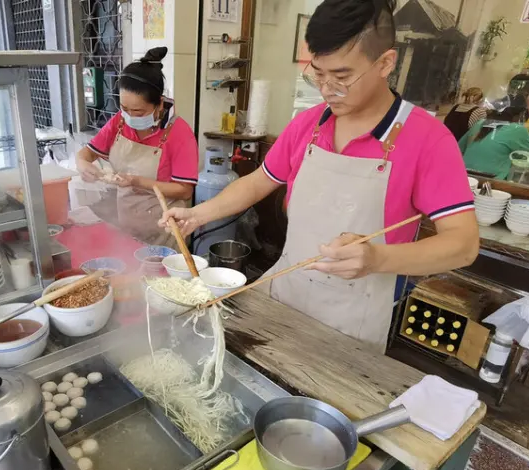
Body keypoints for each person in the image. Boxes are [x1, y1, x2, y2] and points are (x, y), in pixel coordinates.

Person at [160, 0, 479, 352]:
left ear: (385, 63)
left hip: (351, 316)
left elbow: (463, 245)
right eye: (318, 74)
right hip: (286, 290)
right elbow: (258, 182)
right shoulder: (308, 124)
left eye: (342, 77)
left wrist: (378, 259)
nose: (328, 90)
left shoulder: (428, 139)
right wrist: (196, 214)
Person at [76, 47, 198, 247]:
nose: (130, 117)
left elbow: (184, 191)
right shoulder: (119, 122)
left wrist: (137, 181)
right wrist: (82, 164)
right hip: (127, 228)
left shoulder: (180, 134)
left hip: (163, 232)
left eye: (139, 112)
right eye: (124, 109)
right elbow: (86, 154)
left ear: (159, 104)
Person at [458, 107, 529, 179]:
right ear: (517, 117)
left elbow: (459, 148)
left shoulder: (480, 123)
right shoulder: (517, 129)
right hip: (494, 181)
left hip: (464, 175)